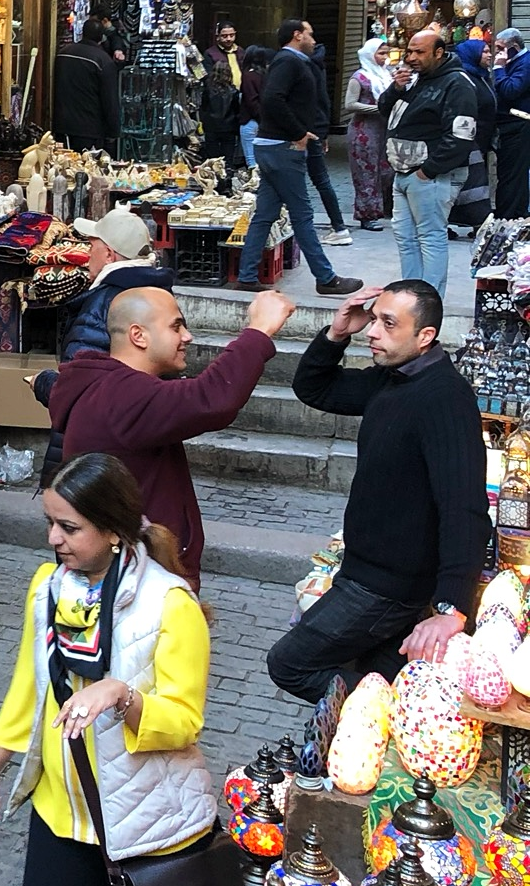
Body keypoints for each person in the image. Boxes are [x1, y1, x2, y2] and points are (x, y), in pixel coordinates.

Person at [0, 452, 223, 886]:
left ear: (112, 530)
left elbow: (185, 722)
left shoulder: (171, 606)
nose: (54, 540)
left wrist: (123, 696)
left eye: (69, 528)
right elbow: (27, 691)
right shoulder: (46, 590)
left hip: (148, 822)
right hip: (63, 813)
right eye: (51, 524)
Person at [268, 281, 489, 701]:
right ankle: (385, 716)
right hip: (365, 570)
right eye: (374, 320)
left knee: (290, 663)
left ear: (425, 337)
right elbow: (316, 389)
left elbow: (464, 508)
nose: (373, 332)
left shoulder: (444, 398)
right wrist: (337, 333)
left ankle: (400, 709)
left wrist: (451, 607)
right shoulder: (392, 379)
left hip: (386, 587)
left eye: (388, 324)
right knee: (378, 670)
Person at [47, 284, 295, 587]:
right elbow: (212, 398)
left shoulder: (107, 385)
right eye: (176, 326)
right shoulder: (126, 395)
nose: (187, 337)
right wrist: (259, 330)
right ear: (139, 335)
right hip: (137, 580)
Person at [32, 207, 175, 485]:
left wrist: (44, 383)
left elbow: (81, 393)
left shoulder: (104, 304)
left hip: (98, 451)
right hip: (137, 436)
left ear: (109, 255)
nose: (87, 253)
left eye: (92, 245)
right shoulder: (158, 294)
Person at [236, 18, 361, 297]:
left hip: (273, 146)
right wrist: (298, 132)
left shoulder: (288, 62)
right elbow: (272, 99)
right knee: (302, 214)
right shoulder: (288, 62)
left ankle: (247, 274)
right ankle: (326, 277)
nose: (314, 40)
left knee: (265, 214)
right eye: (310, 34)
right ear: (297, 36)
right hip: (282, 148)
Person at [377, 26, 479, 299]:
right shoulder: (415, 79)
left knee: (431, 238)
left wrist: (428, 170)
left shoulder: (457, 83)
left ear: (439, 52)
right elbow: (385, 111)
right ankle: (410, 299)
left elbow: (461, 135)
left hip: (431, 176)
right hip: (404, 174)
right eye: (410, 51)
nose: (411, 57)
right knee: (405, 238)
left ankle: (429, 303)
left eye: (419, 52)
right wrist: (395, 88)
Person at [343, 37, 394, 230]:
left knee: (386, 171)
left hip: (383, 130)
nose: (384, 57)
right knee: (366, 173)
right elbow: (350, 104)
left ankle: (383, 209)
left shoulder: (385, 75)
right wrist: (377, 108)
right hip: (363, 133)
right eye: (381, 53)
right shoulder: (360, 77)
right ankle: (367, 215)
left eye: (386, 53)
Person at [305, 41, 352, 246]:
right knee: (320, 179)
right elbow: (323, 100)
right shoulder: (317, 65)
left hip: (307, 131)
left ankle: (339, 226)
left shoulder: (306, 66)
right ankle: (338, 226)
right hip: (316, 129)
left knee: (318, 180)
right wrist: (324, 132)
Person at [449, 38, 497, 238]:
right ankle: (477, 222)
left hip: (482, 139)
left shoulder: (482, 76)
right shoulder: (464, 78)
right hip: (468, 141)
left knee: (472, 184)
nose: (489, 55)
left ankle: (475, 223)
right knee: (470, 185)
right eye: (485, 51)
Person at [52, 17, 120, 153]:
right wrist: (113, 131)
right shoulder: (103, 61)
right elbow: (110, 100)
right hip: (89, 130)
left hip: (62, 125)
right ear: (101, 37)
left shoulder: (63, 54)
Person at [495, 29, 530, 218]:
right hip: (509, 126)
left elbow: (510, 90)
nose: (497, 53)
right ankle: (515, 214)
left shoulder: (525, 64)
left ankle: (509, 215)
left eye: (501, 48)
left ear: (514, 47)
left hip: (519, 125)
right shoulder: (516, 62)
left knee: (513, 175)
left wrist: (499, 69)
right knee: (513, 175)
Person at [199, 20, 244, 165]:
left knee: (228, 148)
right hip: (217, 102)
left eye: (231, 35)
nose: (229, 39)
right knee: (216, 150)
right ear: (218, 36)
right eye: (225, 36)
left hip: (236, 97)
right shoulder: (210, 53)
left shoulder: (241, 52)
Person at [237, 44, 270, 172]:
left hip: (250, 120)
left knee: (252, 162)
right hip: (263, 122)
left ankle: (256, 188)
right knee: (261, 160)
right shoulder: (266, 75)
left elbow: (251, 100)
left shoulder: (248, 76)